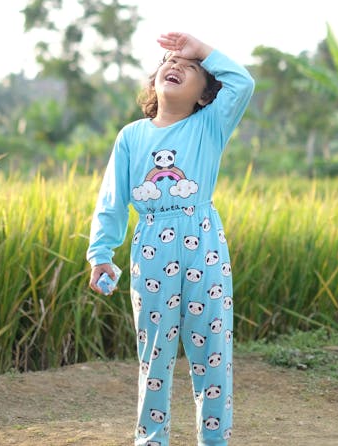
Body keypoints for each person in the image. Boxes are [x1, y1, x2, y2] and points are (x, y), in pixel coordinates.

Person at [87, 31, 255, 446]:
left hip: (204, 245)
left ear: (203, 95)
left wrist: (200, 48)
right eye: (169, 61)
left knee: (212, 354)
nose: (176, 65)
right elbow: (112, 198)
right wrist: (101, 253)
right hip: (150, 249)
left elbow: (243, 83)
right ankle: (151, 440)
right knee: (154, 356)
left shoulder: (210, 126)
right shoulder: (131, 136)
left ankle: (214, 441)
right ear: (154, 81)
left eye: (191, 67)